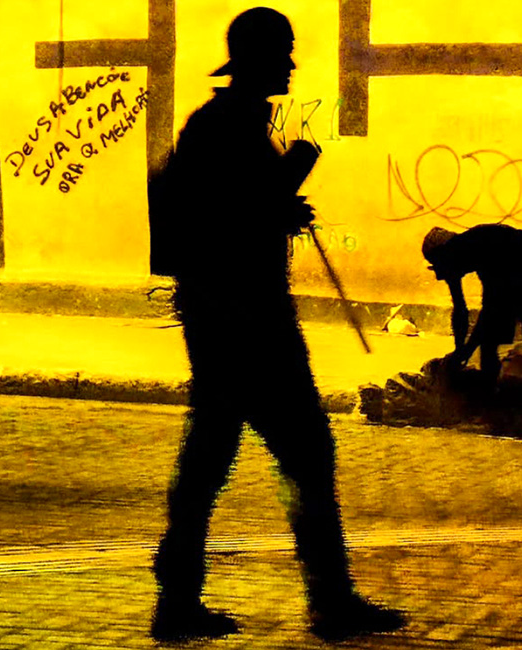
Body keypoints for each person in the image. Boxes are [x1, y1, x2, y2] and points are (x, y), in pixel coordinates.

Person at [149, 8, 405, 643]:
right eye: (284, 52)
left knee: (212, 458)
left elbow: (232, 209)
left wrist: (279, 200)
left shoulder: (223, 124)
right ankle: (328, 601)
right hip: (247, 318)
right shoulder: (227, 126)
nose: (292, 63)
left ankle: (179, 601)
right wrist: (285, 186)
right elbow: (231, 219)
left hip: (224, 315)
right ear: (258, 57)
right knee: (303, 453)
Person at [422, 224, 522, 384]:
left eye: (439, 266)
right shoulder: (453, 261)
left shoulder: (483, 249)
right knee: (495, 335)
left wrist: (466, 351)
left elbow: (490, 311)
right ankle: (496, 385)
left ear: (449, 254)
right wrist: (459, 350)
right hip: (520, 266)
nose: (439, 275)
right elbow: (460, 309)